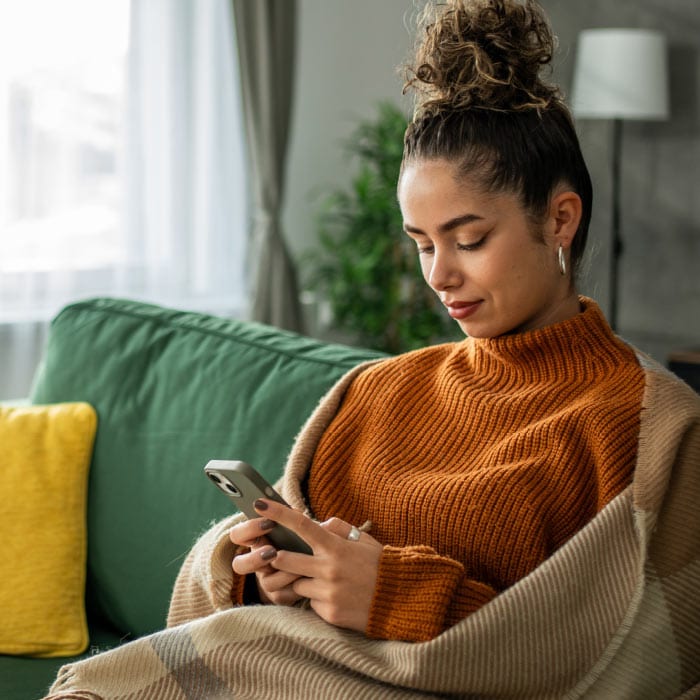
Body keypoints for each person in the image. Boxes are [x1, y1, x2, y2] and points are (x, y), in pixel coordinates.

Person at [44, 1, 699, 697]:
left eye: (469, 239)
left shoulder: (652, 429)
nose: (439, 275)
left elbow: (632, 660)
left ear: (560, 218)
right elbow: (244, 599)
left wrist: (397, 596)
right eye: (422, 245)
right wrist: (261, 573)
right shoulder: (372, 392)